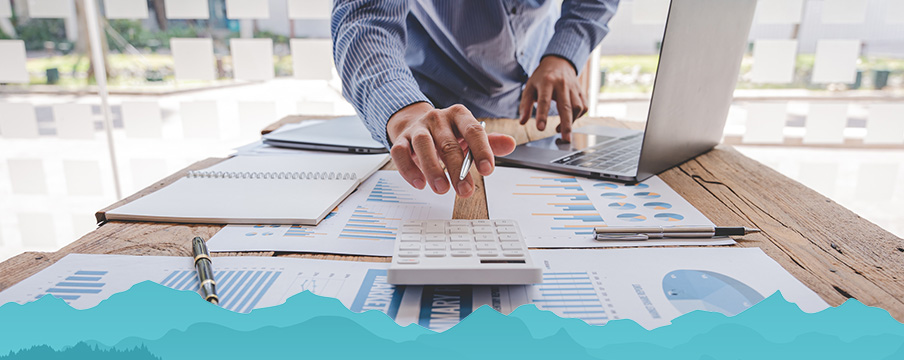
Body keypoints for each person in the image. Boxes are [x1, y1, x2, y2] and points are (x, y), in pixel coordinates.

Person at [331, 0, 618, 198]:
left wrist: (564, 55)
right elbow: (364, 20)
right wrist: (404, 111)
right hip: (432, 111)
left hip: (539, 95)